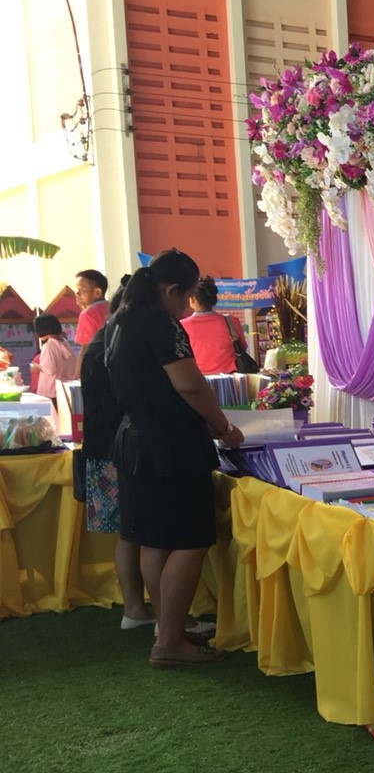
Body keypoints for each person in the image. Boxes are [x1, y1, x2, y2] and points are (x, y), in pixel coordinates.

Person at [106, 248, 245, 667]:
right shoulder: (161, 323)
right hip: (171, 445)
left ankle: (169, 626)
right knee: (189, 539)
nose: (187, 305)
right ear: (170, 291)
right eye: (185, 296)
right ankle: (169, 640)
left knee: (156, 540)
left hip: (137, 439)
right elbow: (189, 384)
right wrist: (223, 426)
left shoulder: (121, 320)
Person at [80, 290, 153, 630]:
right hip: (117, 451)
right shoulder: (114, 344)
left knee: (127, 532)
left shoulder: (99, 341)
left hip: (102, 449)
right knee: (134, 531)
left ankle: (135, 608)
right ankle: (139, 609)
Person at [178, 276, 241, 375]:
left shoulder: (182, 326)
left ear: (193, 299)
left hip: (198, 378)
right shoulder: (232, 321)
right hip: (230, 378)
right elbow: (242, 346)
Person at [29, 313, 79, 424]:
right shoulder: (64, 342)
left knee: (50, 425)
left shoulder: (49, 345)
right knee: (64, 423)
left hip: (50, 391)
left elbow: (49, 369)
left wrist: (36, 367)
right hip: (64, 390)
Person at [73, 269, 110, 348]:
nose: (77, 293)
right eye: (77, 290)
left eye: (82, 290)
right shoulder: (112, 307)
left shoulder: (87, 314)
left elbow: (85, 347)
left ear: (97, 292)